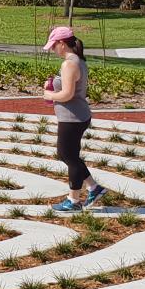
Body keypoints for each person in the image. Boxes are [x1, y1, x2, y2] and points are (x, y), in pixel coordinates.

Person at [41, 25, 105, 212]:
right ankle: (93, 187)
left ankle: (74, 200)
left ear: (62, 43)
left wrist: (49, 95)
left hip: (72, 117)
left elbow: (67, 94)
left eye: (54, 46)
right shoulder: (78, 60)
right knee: (69, 155)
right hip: (77, 115)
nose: (53, 50)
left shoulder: (69, 64)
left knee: (68, 156)